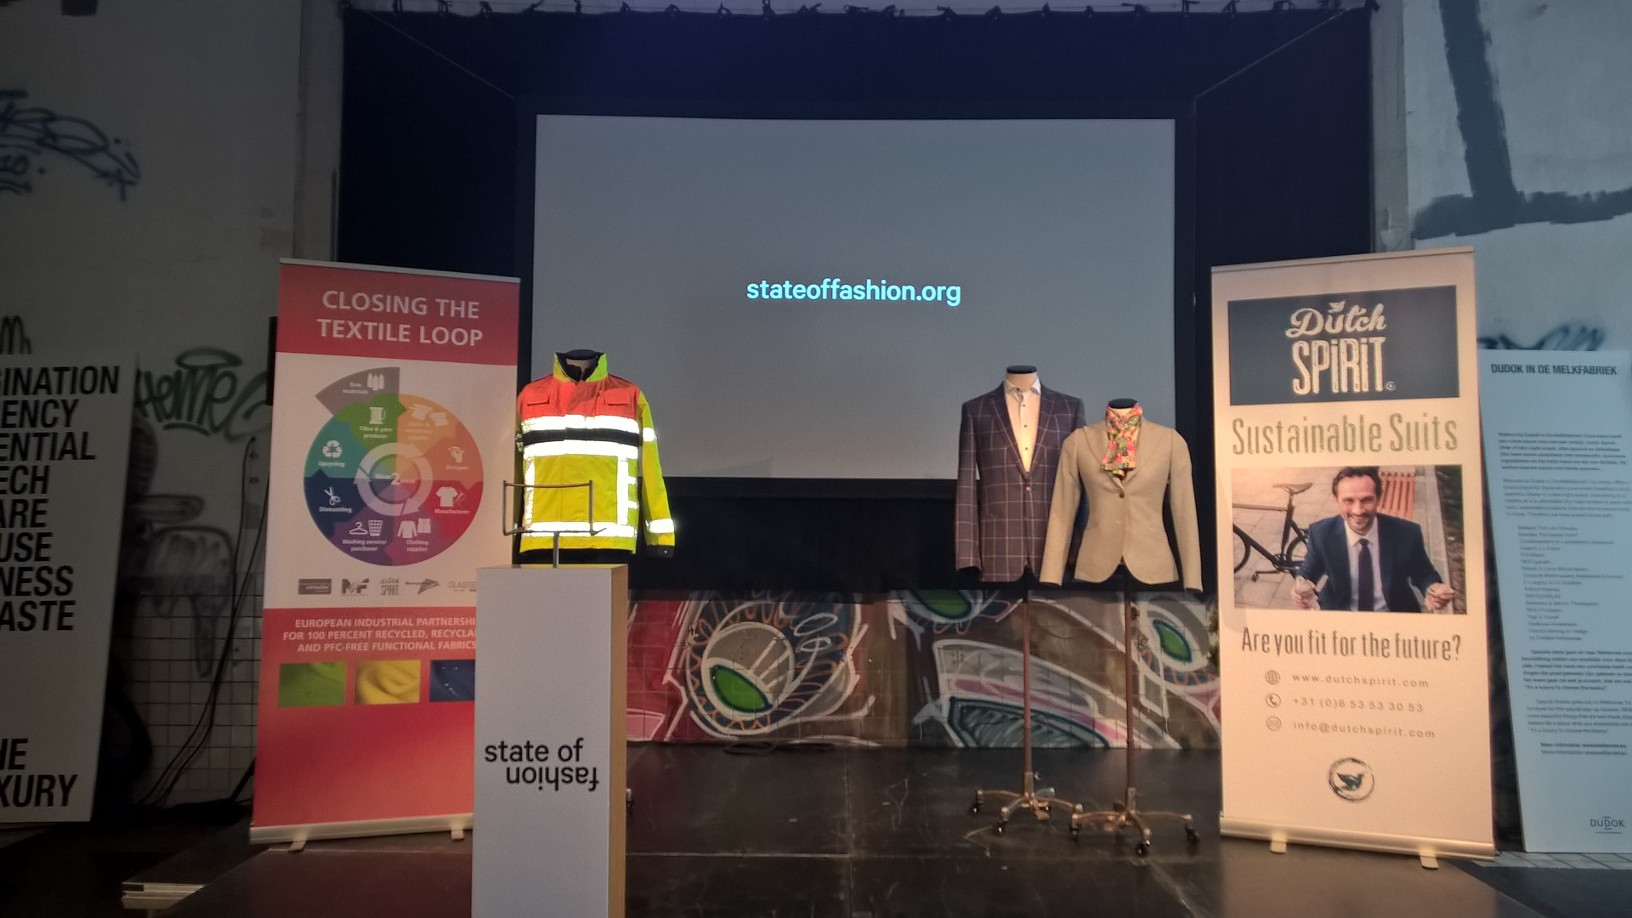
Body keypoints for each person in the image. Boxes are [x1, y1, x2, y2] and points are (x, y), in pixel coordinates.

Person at [1292, 466, 1452, 612]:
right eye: (1348, 501)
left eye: (1367, 500)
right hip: (1340, 614)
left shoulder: (1407, 533)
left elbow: (1424, 574)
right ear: (1336, 500)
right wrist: (1300, 587)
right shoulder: (1321, 533)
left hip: (1394, 615)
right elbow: (1308, 571)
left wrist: (1434, 590)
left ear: (1378, 498)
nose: (1358, 510)